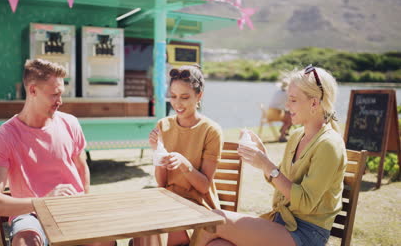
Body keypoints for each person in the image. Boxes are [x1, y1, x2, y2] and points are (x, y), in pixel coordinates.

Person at [196, 65, 347, 246]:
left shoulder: (329, 145)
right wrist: (263, 159)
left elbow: (305, 203)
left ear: (314, 103)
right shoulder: (298, 136)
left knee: (213, 220)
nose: (286, 105)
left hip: (306, 234)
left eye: (292, 100)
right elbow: (283, 182)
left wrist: (267, 165)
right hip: (282, 224)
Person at [0, 59, 114, 246]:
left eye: (61, 94)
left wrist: (84, 205)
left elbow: (82, 169)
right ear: (33, 90)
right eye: (54, 95)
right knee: (26, 242)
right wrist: (43, 202)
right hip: (30, 215)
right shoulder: (5, 136)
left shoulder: (71, 123)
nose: (61, 102)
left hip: (71, 210)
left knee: (103, 240)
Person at [136, 64, 223, 246]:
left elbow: (204, 187)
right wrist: (158, 151)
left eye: (184, 97)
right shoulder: (164, 125)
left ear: (199, 96)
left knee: (152, 234)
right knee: (142, 229)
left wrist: (184, 164)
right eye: (173, 96)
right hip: (168, 203)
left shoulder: (211, 130)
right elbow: (161, 184)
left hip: (198, 209)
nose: (177, 103)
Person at [267, 77, 292, 142]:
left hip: (270, 113)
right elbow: (289, 105)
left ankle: (283, 130)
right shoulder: (286, 94)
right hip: (275, 113)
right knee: (289, 120)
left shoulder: (277, 92)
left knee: (288, 116)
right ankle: (282, 136)